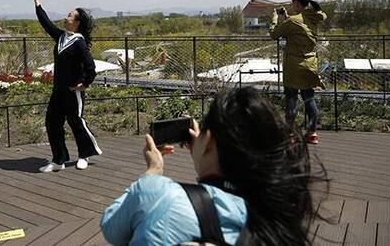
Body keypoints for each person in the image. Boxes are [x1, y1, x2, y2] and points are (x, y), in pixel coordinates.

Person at [101, 88, 320, 245]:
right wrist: (205, 152)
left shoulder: (159, 195)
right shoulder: (271, 216)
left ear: (210, 142)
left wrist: (153, 172)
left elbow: (111, 228)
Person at [32, 0, 102, 172]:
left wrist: (85, 84)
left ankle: (84, 155)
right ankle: (58, 160)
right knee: (52, 122)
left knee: (76, 122)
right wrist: (37, 2)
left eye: (70, 15)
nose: (66, 17)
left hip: (73, 91)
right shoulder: (61, 37)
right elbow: (46, 23)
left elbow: (90, 67)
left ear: (77, 22)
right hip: (58, 90)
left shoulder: (79, 42)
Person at [269, 0, 327, 144]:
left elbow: (275, 34)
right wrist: (286, 18)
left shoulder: (293, 21)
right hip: (310, 65)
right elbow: (300, 28)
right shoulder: (313, 17)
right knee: (309, 99)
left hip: (294, 67)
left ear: (295, 2)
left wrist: (275, 19)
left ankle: (290, 134)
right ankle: (312, 133)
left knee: (291, 99)